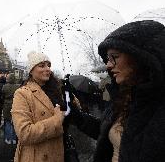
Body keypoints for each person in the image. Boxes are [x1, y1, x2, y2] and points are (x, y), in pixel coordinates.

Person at [71, 20, 165, 162]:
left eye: (114, 57)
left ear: (140, 57)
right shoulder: (125, 97)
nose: (108, 65)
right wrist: (76, 116)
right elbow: (107, 134)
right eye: (107, 59)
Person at [11, 51, 65, 162]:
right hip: (37, 156)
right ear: (31, 71)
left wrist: (70, 99)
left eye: (48, 65)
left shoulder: (56, 90)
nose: (48, 69)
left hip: (57, 153)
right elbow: (24, 133)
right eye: (42, 66)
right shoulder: (22, 93)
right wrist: (56, 121)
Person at [2, 73, 20, 144]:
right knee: (15, 123)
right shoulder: (18, 87)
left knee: (8, 122)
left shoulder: (5, 87)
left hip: (7, 105)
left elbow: (2, 96)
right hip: (16, 105)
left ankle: (8, 139)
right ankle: (14, 139)